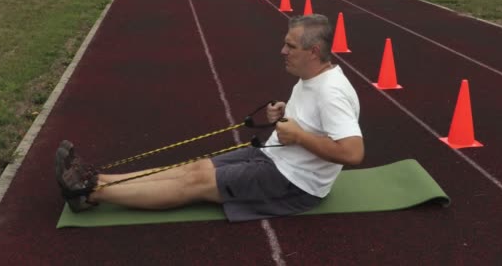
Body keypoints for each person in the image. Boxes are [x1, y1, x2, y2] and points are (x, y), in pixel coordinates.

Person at [56, 14, 364, 222]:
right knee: (196, 167)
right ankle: (96, 179)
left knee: (198, 182)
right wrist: (285, 113)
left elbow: (353, 152)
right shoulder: (310, 75)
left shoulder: (331, 92)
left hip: (295, 184)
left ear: (313, 51)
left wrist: (298, 136)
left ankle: (89, 194)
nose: (282, 50)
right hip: (275, 159)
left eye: (290, 46)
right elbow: (313, 122)